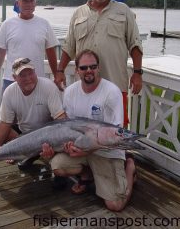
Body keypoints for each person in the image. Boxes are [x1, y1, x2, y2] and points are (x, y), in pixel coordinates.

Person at [42, 49, 136, 212]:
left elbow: (115, 136)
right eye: (84, 68)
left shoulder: (111, 92)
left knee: (115, 205)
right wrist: (69, 146)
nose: (89, 71)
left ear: (98, 68)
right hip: (82, 149)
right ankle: (89, 173)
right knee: (57, 166)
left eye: (93, 66)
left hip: (106, 151)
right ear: (77, 70)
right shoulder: (70, 92)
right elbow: (68, 127)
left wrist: (86, 151)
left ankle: (130, 168)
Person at [55, 0, 143, 127]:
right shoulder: (78, 13)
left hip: (115, 81)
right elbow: (69, 46)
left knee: (117, 127)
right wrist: (60, 70)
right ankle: (86, 150)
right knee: (83, 125)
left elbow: (135, 44)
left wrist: (137, 73)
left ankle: (119, 152)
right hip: (85, 85)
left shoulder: (124, 11)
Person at [0, 57, 65, 162]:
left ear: (35, 72)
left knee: (52, 155)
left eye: (30, 73)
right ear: (14, 78)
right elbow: (5, 123)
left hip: (45, 135)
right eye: (22, 75)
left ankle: (24, 154)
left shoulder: (48, 87)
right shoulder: (9, 92)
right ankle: (24, 154)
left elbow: (61, 119)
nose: (28, 78)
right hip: (23, 133)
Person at [0, 0, 59, 96]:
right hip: (12, 80)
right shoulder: (7, 24)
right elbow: (0, 53)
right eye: (25, 1)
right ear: (17, 3)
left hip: (37, 80)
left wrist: (56, 76)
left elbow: (51, 52)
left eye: (31, 1)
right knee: (7, 113)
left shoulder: (44, 24)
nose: (28, 4)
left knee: (39, 113)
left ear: (35, 3)